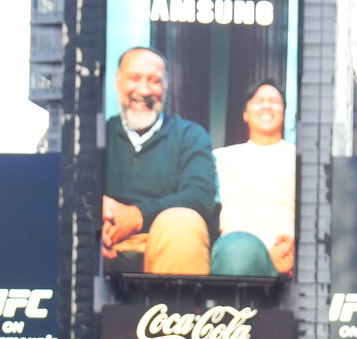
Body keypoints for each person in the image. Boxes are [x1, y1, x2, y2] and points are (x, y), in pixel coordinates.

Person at [102, 46, 216, 275]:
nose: (144, 90)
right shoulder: (94, 135)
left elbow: (200, 197)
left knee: (183, 224)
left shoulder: (191, 136)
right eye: (134, 78)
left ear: (166, 87)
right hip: (105, 245)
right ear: (118, 82)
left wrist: (136, 216)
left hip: (168, 244)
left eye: (154, 80)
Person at [210, 79, 296, 276]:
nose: (267, 105)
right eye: (259, 100)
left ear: (284, 112)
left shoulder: (301, 159)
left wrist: (293, 246)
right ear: (245, 114)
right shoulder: (221, 158)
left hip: (288, 255)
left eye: (274, 101)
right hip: (235, 257)